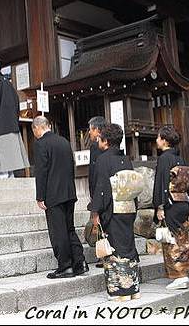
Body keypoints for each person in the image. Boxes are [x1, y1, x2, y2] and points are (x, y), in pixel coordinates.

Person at [91, 123, 142, 301]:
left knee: (115, 247)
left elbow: (102, 188)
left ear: (105, 141)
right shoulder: (125, 159)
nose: (98, 140)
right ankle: (133, 288)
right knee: (128, 245)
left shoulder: (103, 159)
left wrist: (95, 211)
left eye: (99, 138)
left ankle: (121, 292)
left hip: (113, 209)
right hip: (128, 208)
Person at [32, 116, 87, 279]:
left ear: (37, 128)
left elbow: (41, 171)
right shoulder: (64, 142)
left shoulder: (41, 143)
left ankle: (65, 266)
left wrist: (40, 196)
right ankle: (80, 263)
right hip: (69, 192)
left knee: (58, 231)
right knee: (69, 228)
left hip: (53, 194)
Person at [152, 126, 189, 290]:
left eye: (158, 137)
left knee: (172, 240)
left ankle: (179, 275)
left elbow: (161, 183)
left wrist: (159, 205)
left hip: (170, 202)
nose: (157, 140)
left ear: (164, 140)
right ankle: (187, 273)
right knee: (183, 238)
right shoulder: (180, 159)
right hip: (183, 201)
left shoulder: (164, 158)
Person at [0, 57, 30, 177]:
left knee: (1, 160)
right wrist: (15, 121)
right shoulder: (7, 83)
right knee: (10, 162)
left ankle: (3, 175)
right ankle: (10, 174)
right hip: (11, 125)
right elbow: (16, 103)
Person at [87, 116, 107, 268]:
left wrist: (93, 194)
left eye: (91, 129)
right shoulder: (110, 143)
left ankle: (104, 255)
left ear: (97, 130)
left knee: (100, 223)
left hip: (99, 190)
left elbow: (94, 173)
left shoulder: (96, 147)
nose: (89, 133)